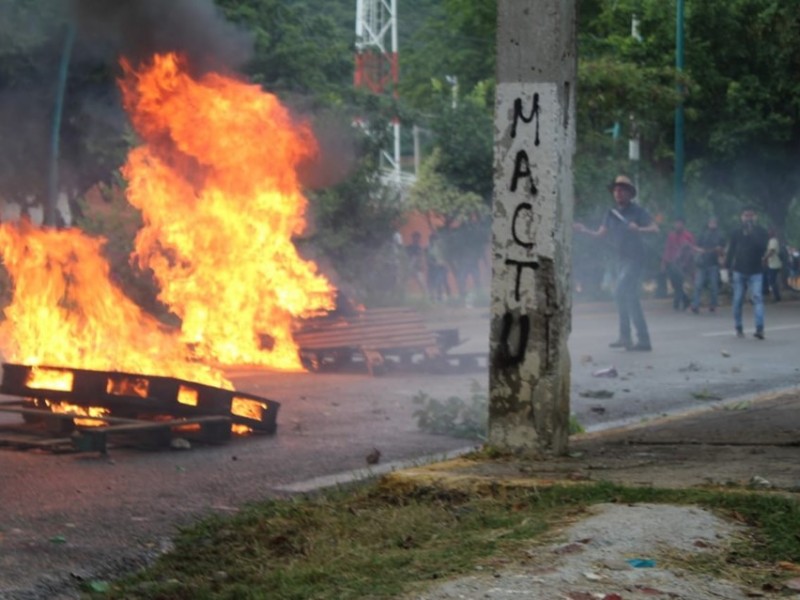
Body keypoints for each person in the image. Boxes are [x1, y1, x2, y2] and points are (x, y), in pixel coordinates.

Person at [574, 174, 659, 351]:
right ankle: (639, 339)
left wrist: (639, 229)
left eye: (622, 189)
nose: (618, 192)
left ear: (629, 193)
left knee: (620, 292)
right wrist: (584, 230)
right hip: (620, 259)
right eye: (616, 189)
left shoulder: (637, 211)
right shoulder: (611, 214)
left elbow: (655, 229)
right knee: (630, 297)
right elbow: (600, 234)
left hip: (635, 258)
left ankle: (628, 336)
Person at [725, 206, 768, 339]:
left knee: (757, 298)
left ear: (755, 217)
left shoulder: (761, 231)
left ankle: (759, 329)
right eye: (746, 215)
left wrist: (752, 233)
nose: (748, 218)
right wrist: (726, 267)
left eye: (751, 215)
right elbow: (731, 250)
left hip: (756, 271)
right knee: (737, 300)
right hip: (739, 270)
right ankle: (739, 327)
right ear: (741, 217)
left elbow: (762, 248)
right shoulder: (736, 232)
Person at [690, 216, 724, 313]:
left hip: (713, 263)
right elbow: (695, 246)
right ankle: (695, 305)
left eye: (714, 222)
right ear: (708, 223)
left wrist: (719, 250)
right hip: (702, 263)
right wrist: (699, 250)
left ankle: (713, 304)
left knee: (714, 286)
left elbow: (723, 251)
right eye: (711, 222)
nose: (712, 224)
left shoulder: (720, 236)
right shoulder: (703, 234)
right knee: (698, 285)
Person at [660, 217, 695, 311]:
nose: (677, 225)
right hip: (672, 263)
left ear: (683, 225)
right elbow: (667, 249)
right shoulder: (671, 236)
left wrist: (689, 264)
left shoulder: (688, 235)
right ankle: (686, 300)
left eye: (679, 223)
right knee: (674, 284)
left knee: (679, 283)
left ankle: (676, 304)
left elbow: (692, 250)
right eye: (676, 223)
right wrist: (664, 262)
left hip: (684, 264)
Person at [405, 231, 428, 296]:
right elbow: (408, 257)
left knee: (421, 283)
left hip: (417, 268)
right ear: (413, 238)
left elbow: (418, 257)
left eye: (417, 237)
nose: (416, 239)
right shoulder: (409, 247)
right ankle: (402, 296)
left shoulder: (419, 248)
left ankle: (426, 298)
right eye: (415, 237)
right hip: (410, 267)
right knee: (406, 283)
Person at [763, 228, 782, 302]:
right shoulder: (771, 241)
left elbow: (772, 251)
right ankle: (766, 293)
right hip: (771, 264)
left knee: (772, 281)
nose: (768, 233)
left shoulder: (773, 241)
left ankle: (776, 297)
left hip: (774, 264)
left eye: (770, 232)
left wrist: (765, 258)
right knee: (766, 278)